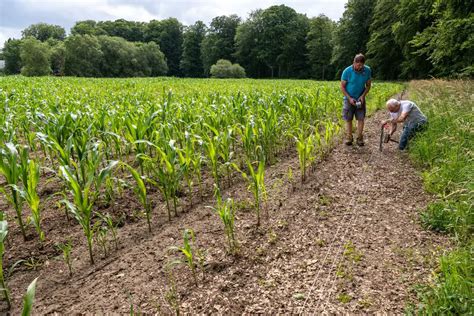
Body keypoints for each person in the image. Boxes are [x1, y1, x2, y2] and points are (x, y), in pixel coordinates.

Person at [340, 54, 372, 146]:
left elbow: (368, 85)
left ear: (364, 64)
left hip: (360, 99)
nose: (359, 67)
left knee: (361, 118)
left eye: (361, 65)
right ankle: (349, 137)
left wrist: (363, 96)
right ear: (354, 62)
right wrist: (349, 98)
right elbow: (342, 86)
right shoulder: (347, 71)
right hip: (348, 98)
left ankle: (360, 138)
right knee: (348, 119)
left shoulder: (367, 70)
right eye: (357, 65)